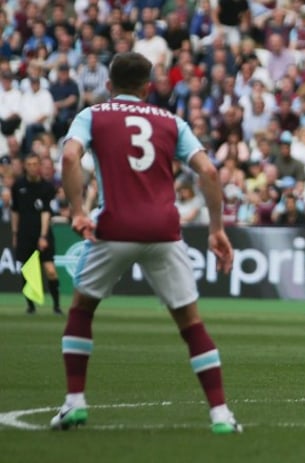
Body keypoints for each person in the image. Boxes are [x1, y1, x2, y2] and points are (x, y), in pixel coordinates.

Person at [54, 52, 240, 434]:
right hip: (163, 230)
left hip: (114, 226)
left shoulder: (93, 114)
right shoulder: (171, 121)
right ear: (148, 87)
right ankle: (221, 415)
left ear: (109, 85)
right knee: (191, 322)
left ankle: (74, 402)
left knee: (82, 309)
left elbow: (70, 155)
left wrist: (77, 210)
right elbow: (208, 169)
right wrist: (216, 228)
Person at [11, 153, 62, 315]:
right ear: (25, 166)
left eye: (35, 164)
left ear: (39, 166)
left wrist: (43, 236)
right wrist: (15, 233)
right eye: (29, 164)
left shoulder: (47, 187)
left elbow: (46, 212)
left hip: (42, 234)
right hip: (24, 235)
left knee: (50, 270)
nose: (32, 167)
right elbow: (15, 211)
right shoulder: (18, 186)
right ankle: (31, 307)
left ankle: (56, 306)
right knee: (27, 271)